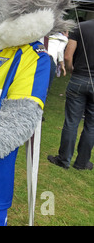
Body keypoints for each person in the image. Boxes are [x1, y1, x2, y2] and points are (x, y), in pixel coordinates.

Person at [48, 19, 94, 170]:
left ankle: (64, 159)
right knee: (91, 125)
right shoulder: (80, 27)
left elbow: (68, 56)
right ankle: (82, 163)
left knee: (71, 122)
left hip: (79, 78)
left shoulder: (81, 27)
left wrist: (72, 70)